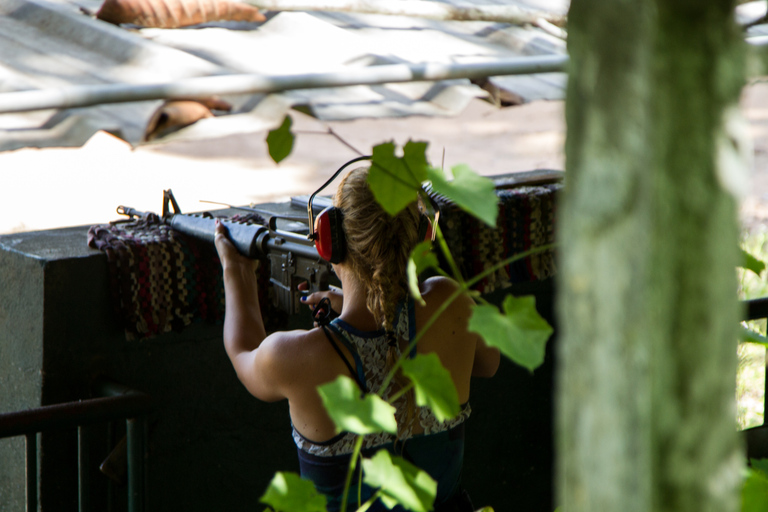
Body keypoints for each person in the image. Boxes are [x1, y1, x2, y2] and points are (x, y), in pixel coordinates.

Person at [213, 167, 500, 512]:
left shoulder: (295, 357)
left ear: (327, 240)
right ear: (424, 236)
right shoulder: (452, 306)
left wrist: (236, 270)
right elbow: (489, 362)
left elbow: (242, 351)